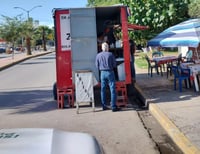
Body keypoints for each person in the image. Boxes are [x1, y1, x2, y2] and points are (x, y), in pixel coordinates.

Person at [95, 42, 120, 112]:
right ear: (108, 48)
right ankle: (113, 106)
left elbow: (97, 66)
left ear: (102, 48)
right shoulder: (110, 54)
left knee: (102, 89)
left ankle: (104, 106)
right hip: (110, 72)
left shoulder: (98, 55)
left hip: (102, 73)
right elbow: (114, 65)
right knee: (112, 89)